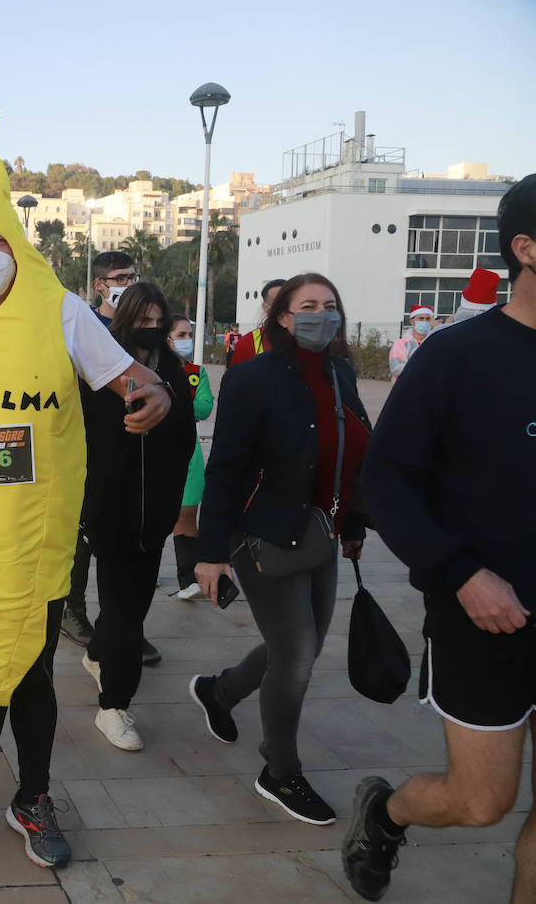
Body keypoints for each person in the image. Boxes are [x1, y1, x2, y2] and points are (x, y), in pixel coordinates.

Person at [0, 106, 172, 868]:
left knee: (31, 673)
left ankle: (33, 797)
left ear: (20, 247)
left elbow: (133, 378)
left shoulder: (62, 310)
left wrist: (155, 396)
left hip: (32, 540)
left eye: (1, 241)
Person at [341, 174, 536, 903]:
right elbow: (386, 483)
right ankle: (386, 813)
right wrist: (461, 574)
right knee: (481, 801)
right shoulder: (457, 356)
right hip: (485, 613)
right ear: (526, 249)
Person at [192, 272, 372, 826]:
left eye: (330, 304)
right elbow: (225, 469)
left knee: (300, 647)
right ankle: (280, 771)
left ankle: (220, 693)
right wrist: (210, 552)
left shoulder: (341, 373)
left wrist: (354, 524)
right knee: (295, 656)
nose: (322, 314)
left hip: (322, 532)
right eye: (307, 305)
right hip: (264, 535)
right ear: (284, 318)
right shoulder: (253, 378)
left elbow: (348, 455)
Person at [80, 282, 195, 752]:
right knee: (124, 610)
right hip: (110, 512)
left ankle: (96, 652)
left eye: (158, 321)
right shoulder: (101, 369)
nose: (151, 329)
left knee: (134, 604)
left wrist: (172, 501)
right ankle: (114, 705)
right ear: (125, 321)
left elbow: (186, 439)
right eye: (143, 320)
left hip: (155, 516)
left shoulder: (173, 372)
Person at [63, 249, 162, 660]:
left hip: (132, 450)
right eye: (120, 278)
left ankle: (120, 628)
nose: (128, 284)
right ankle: (73, 611)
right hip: (88, 448)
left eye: (132, 276)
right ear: (100, 284)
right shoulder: (84, 325)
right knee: (84, 537)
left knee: (122, 545)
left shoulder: (139, 329)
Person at [169, 314, 214, 600]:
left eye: (189, 334)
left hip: (189, 451)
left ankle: (188, 580)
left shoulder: (197, 373)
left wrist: (170, 402)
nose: (187, 340)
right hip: (154, 450)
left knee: (187, 513)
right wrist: (185, 404)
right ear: (167, 339)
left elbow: (205, 407)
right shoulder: (148, 368)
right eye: (181, 335)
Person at [229, 279, 287, 366]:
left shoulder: (304, 342)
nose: (283, 307)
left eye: (288, 302)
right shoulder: (246, 344)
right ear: (265, 307)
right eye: (277, 302)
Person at [89, 251, 138, 327]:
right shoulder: (86, 322)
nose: (130, 284)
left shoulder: (145, 322)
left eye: (133, 278)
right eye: (121, 279)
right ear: (99, 285)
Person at [388, 305, 433, 381]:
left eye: (428, 319)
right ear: (412, 321)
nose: (425, 322)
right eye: (421, 318)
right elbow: (397, 369)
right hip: (406, 386)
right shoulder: (401, 344)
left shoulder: (435, 342)